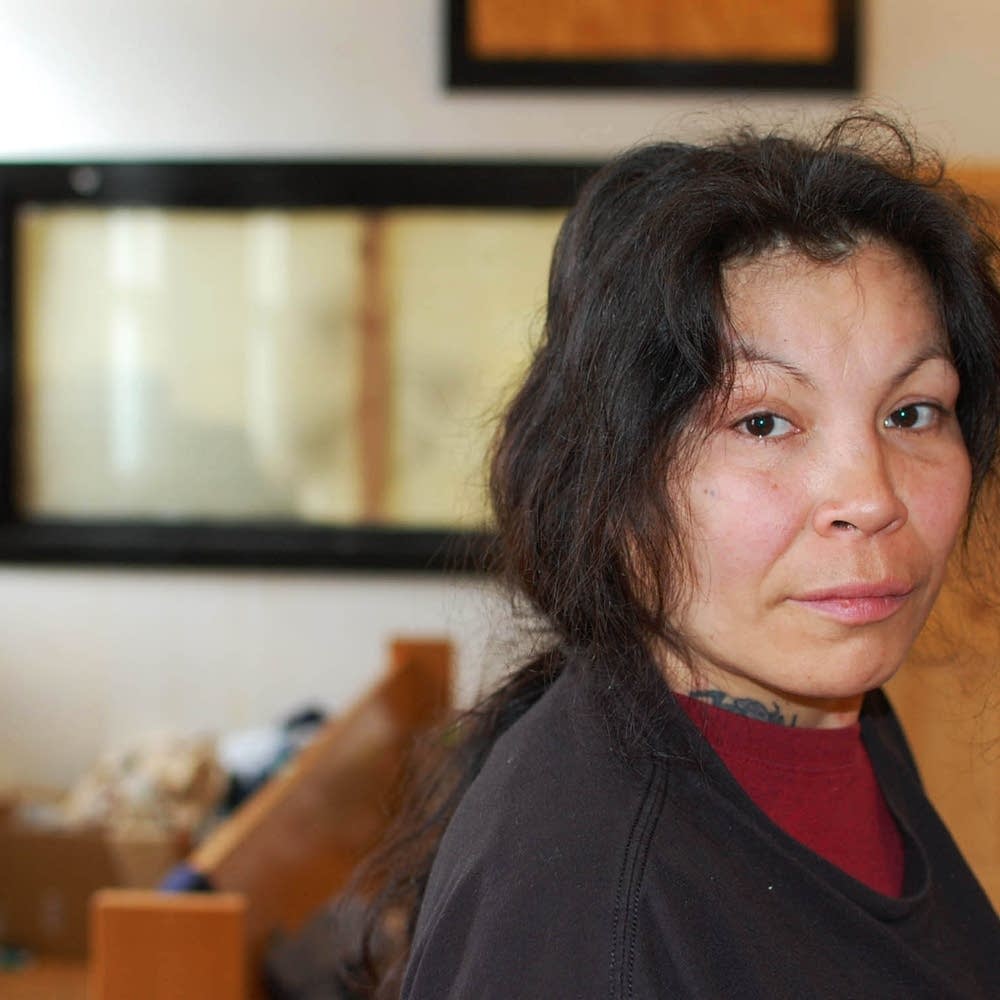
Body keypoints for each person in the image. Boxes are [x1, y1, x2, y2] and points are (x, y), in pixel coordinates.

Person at [337, 116, 1000, 999]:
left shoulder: (832, 717)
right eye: (763, 422)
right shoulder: (592, 907)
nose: (872, 497)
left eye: (912, 412)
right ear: (611, 477)